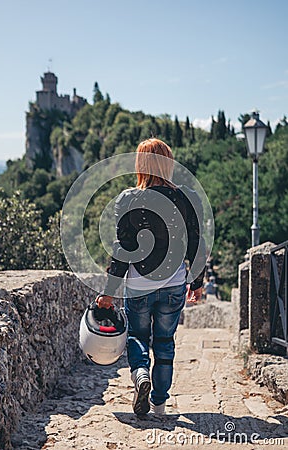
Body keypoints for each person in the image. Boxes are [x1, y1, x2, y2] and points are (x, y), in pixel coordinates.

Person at [96, 138, 206, 416]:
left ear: (140, 164)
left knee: (137, 336)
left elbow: (123, 250)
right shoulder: (188, 196)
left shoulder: (127, 199)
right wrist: (197, 281)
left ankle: (141, 373)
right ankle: (159, 404)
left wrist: (109, 290)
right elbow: (196, 241)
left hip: (138, 284)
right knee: (165, 341)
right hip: (173, 282)